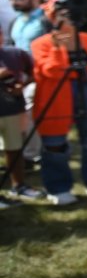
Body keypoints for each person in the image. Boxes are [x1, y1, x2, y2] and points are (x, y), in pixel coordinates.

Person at [30, 3, 87, 205]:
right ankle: (58, 188)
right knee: (54, 144)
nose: (66, 20)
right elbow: (52, 71)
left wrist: (71, 73)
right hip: (56, 98)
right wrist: (58, 49)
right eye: (60, 15)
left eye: (69, 15)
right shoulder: (41, 44)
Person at [0, 26, 41, 202]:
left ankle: (19, 185)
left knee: (15, 149)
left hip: (13, 110)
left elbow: (34, 72)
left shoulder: (16, 54)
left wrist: (21, 86)